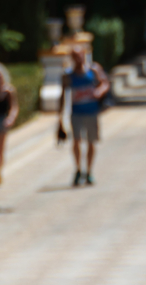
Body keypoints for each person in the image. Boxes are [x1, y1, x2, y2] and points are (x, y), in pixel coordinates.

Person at [59, 47, 110, 186]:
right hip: (76, 113)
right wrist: (60, 117)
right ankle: (78, 169)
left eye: (80, 55)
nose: (78, 58)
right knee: (76, 141)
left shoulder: (93, 70)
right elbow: (63, 95)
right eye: (75, 56)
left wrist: (99, 91)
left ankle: (88, 171)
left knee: (91, 141)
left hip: (92, 111)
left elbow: (105, 83)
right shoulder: (68, 75)